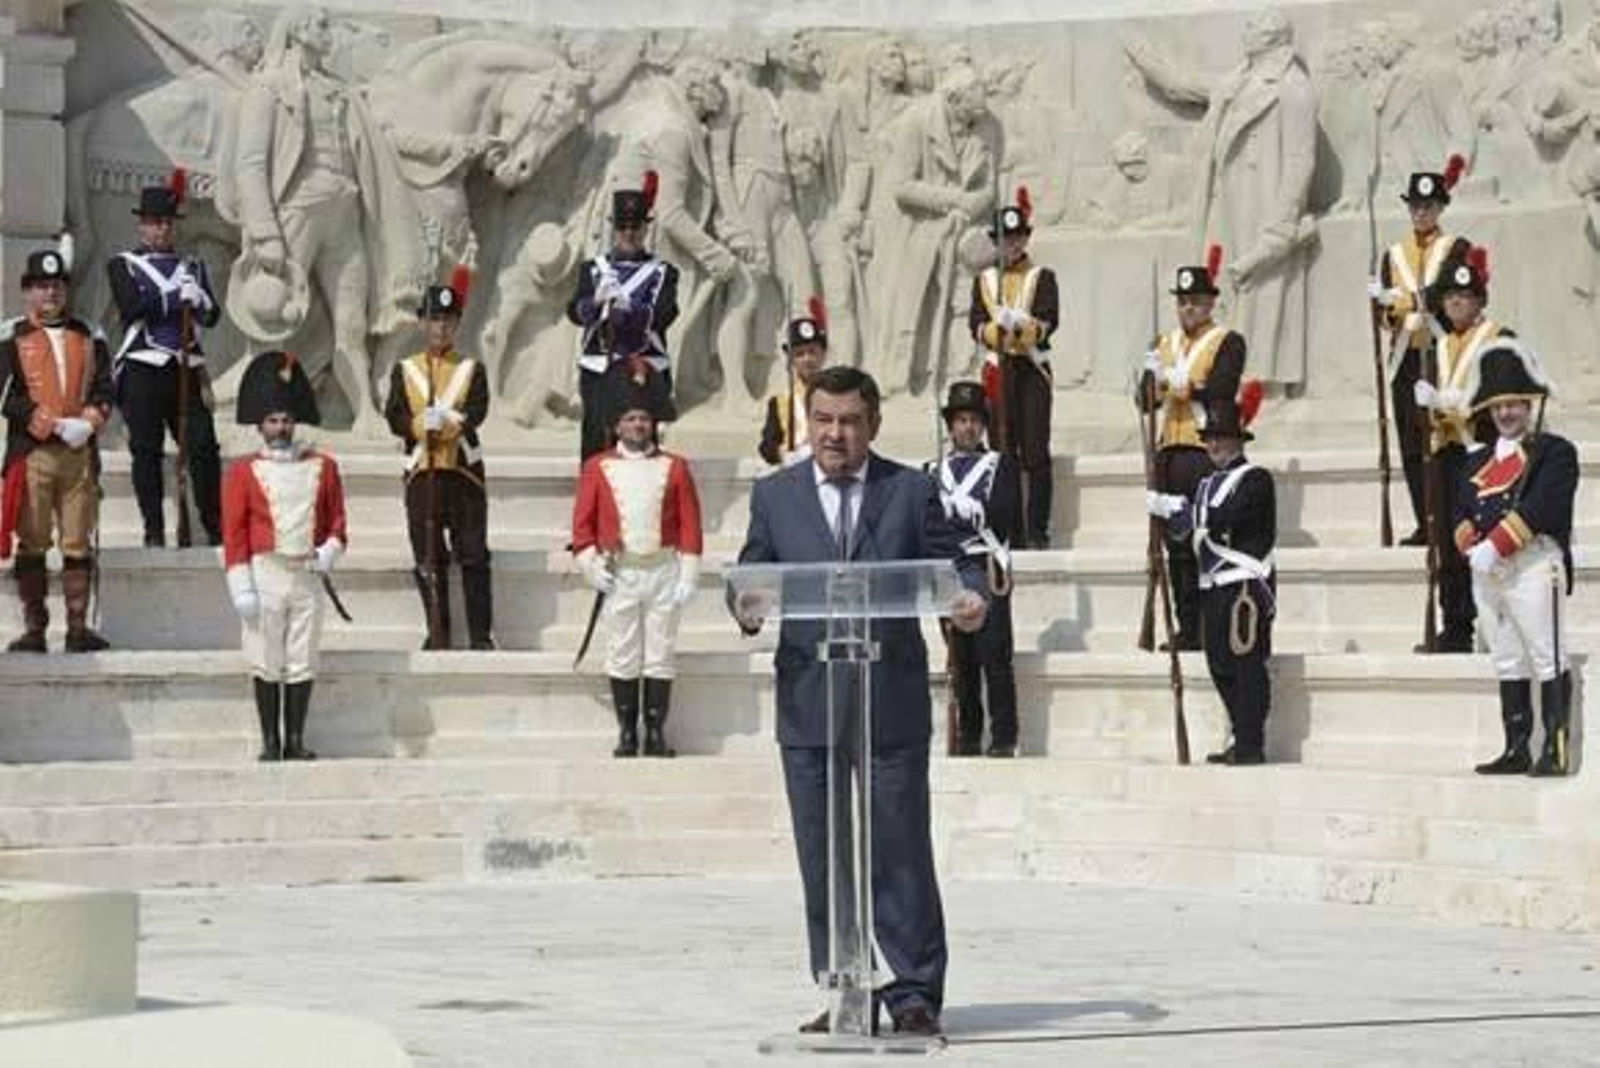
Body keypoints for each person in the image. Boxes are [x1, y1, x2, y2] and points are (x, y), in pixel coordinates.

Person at [731, 365, 989, 1037]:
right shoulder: (775, 495)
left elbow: (952, 560)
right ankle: (843, 987)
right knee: (821, 852)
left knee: (899, 846)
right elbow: (753, 571)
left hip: (890, 698)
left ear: (872, 425)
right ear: (806, 422)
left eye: (849, 421)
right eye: (823, 420)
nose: (835, 434)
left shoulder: (909, 490)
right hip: (810, 701)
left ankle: (912, 993)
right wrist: (747, 605)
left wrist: (968, 597)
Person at [1455, 339, 1579, 777]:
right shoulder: (1477, 462)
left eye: (1514, 404)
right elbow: (1463, 511)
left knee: (1546, 656)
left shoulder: (1555, 452)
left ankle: (1556, 750)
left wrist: (1497, 544)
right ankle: (1516, 747)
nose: (1506, 413)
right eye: (1498, 406)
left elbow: (1544, 505)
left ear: (1529, 405)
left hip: (1532, 565)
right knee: (1507, 659)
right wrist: (1469, 540)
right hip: (1487, 572)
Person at [223, 350, 348, 761]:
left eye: (286, 420)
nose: (281, 427)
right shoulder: (242, 473)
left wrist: (330, 550)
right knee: (265, 656)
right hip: (265, 571)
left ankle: (294, 740)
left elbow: (337, 523)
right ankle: (270, 742)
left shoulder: (324, 467)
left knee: (302, 656)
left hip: (306, 574)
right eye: (273, 420)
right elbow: (235, 533)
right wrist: (241, 585)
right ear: (260, 426)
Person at [572, 368, 703, 758]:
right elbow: (582, 526)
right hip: (621, 571)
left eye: (644, 418)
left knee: (661, 649)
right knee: (623, 648)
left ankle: (656, 732)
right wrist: (590, 563)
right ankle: (627, 732)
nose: (638, 424)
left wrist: (690, 570)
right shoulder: (597, 467)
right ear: (617, 424)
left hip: (663, 568)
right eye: (630, 418)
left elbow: (690, 522)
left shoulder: (675, 467)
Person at [1148, 383, 1274, 766]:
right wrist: (1167, 520)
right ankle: (1240, 733)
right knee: (1219, 663)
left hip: (1244, 586)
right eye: (1211, 438)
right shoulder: (1204, 484)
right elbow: (1187, 533)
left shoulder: (1256, 478)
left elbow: (1231, 517)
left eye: (1222, 438)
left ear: (1238, 441)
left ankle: (1251, 742)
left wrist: (1183, 511)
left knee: (1247, 664)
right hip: (1213, 586)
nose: (1215, 445)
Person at [0, 247, 115, 653]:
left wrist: (89, 421)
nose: (50, 293)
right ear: (27, 292)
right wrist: (42, 419)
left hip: (77, 452)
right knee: (31, 540)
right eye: (41, 286)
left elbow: (105, 388)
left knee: (77, 539)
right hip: (33, 453)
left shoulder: (89, 334)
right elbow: (6, 396)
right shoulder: (9, 336)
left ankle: (78, 629)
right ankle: (35, 629)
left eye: (57, 285)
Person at [108, 173, 225, 547]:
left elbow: (211, 316)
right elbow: (131, 309)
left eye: (168, 222)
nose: (162, 229)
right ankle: (154, 529)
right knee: (146, 451)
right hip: (144, 366)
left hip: (185, 370)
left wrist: (199, 298)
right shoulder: (123, 264)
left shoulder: (193, 267)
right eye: (155, 221)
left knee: (204, 448)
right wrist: (175, 298)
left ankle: (213, 524)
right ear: (142, 225)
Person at [1138, 250, 1246, 651]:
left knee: (1206, 539)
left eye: (1196, 301)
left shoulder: (1227, 341)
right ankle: (1187, 627)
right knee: (1177, 546)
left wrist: (1181, 385)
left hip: (1206, 451)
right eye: (1183, 301)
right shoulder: (1162, 344)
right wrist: (1151, 381)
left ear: (1210, 303)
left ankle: (1210, 624)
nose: (1188, 308)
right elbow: (1144, 403)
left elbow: (1222, 388)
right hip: (1170, 452)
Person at [384, 271, 494, 651]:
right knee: (428, 555)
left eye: (448, 320)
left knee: (474, 553)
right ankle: (438, 631)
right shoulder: (406, 369)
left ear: (457, 323)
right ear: (422, 322)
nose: (441, 327)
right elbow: (393, 414)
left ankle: (481, 635)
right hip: (421, 470)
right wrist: (415, 424)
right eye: (434, 319)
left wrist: (449, 423)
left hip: (462, 469)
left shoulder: (471, 368)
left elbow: (478, 409)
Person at [1369, 156, 1471, 546]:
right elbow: (1386, 316)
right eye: (1414, 206)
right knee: (1411, 443)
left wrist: (1401, 301)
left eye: (1427, 206)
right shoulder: (1393, 255)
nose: (1420, 212)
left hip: (1442, 354)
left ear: (1440, 208)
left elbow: (1446, 291)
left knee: (1443, 439)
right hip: (1406, 358)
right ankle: (1424, 521)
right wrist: (1381, 306)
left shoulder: (1455, 247)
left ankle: (1449, 516)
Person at [1415, 247, 1511, 653]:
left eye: (1465, 297)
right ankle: (1455, 625)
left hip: (1483, 451)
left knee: (1486, 534)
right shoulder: (1437, 346)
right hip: (1446, 453)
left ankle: (1498, 623)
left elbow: (1508, 397)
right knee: (1446, 539)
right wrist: (1428, 411)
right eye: (1451, 298)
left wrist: (1460, 407)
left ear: (1479, 301)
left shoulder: (1499, 338)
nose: (1456, 303)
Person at [928, 381, 1020, 757]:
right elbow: (927, 523)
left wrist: (966, 511)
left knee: (993, 655)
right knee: (960, 657)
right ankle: (968, 733)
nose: (967, 427)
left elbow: (1007, 515)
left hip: (984, 562)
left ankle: (1003, 736)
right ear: (950, 426)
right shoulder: (931, 470)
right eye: (961, 420)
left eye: (974, 420)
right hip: (949, 568)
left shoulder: (1001, 465)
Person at [967, 187, 1059, 548]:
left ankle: (1037, 529)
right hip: (998, 369)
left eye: (1018, 237)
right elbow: (975, 323)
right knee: (1002, 450)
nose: (1013, 245)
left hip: (1031, 368)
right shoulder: (985, 280)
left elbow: (1050, 319)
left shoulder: (1042, 276)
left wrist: (1020, 326)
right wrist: (994, 330)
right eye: (1006, 239)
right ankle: (1010, 531)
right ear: (997, 242)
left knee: (1036, 452)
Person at [567, 175, 682, 460]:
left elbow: (665, 314)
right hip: (599, 368)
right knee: (597, 443)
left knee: (643, 445)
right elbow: (574, 311)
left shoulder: (663, 271)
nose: (629, 233)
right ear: (613, 228)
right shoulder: (593, 269)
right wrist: (595, 304)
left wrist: (627, 311)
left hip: (645, 367)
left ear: (645, 228)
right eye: (622, 226)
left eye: (635, 226)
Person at [758, 299, 829, 467]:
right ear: (791, 359)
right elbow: (767, 446)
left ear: (823, 354)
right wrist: (781, 452)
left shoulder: (837, 396)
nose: (807, 359)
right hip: (795, 476)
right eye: (799, 354)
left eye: (812, 352)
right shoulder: (780, 403)